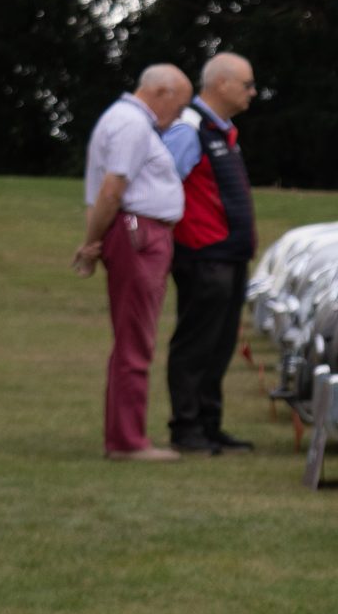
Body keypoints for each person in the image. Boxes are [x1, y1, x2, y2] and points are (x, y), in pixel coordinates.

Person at [74, 64, 191, 460]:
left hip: (136, 232)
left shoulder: (125, 119)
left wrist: (94, 240)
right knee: (135, 339)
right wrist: (90, 243)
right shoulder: (132, 124)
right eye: (180, 105)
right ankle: (126, 441)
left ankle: (126, 435)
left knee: (134, 337)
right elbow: (111, 190)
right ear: (162, 92)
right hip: (139, 235)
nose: (179, 114)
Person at [160, 53, 258, 456]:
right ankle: (186, 427)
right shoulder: (189, 129)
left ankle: (209, 424)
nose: (253, 92)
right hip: (203, 255)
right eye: (247, 84)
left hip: (230, 255)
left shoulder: (223, 131)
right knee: (196, 343)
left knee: (219, 345)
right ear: (221, 84)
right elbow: (160, 183)